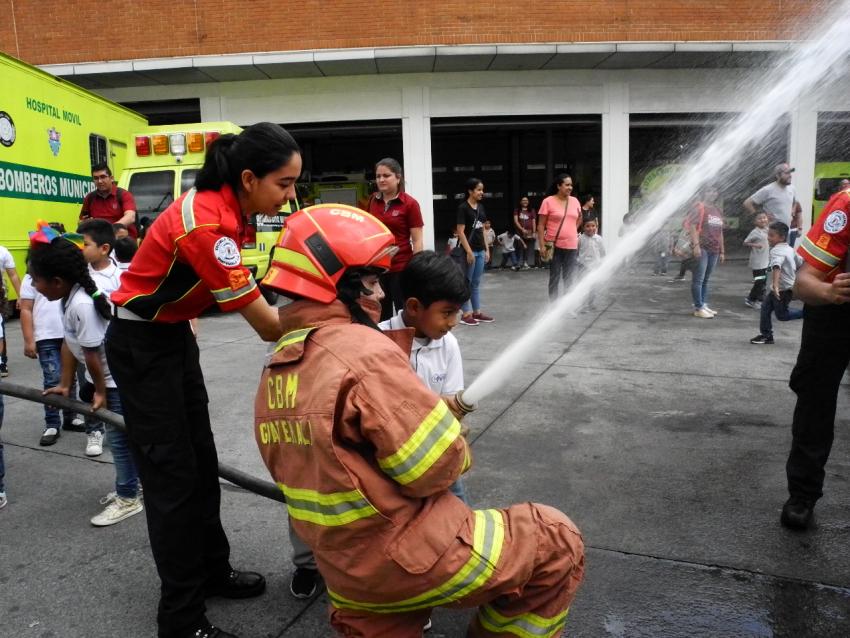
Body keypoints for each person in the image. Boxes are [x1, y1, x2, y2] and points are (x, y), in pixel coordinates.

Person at [256, 205, 585, 638]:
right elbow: (432, 468)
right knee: (556, 540)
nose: (378, 295)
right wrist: (454, 439)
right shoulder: (361, 350)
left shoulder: (276, 371)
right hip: (406, 556)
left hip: (349, 577)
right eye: (371, 282)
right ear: (338, 283)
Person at [106, 122, 298, 638]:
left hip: (172, 340)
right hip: (142, 347)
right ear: (251, 177)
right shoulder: (207, 224)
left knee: (201, 462)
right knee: (171, 480)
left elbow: (256, 287)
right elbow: (267, 326)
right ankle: (182, 619)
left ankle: (213, 571)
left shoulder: (234, 209)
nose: (290, 195)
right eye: (284, 184)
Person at [30, 228, 143, 527]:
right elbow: (70, 343)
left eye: (35, 279)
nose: (32, 285)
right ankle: (133, 485)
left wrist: (101, 393)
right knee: (123, 438)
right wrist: (66, 384)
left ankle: (129, 497)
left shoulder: (80, 304)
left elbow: (93, 355)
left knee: (119, 441)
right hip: (109, 378)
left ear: (56, 281)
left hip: (116, 381)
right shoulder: (68, 299)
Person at [779, 188, 850, 529]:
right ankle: (803, 494)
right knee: (815, 401)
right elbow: (802, 285)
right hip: (834, 312)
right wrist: (830, 292)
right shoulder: (846, 205)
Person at [19, 269, 81, 446]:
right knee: (52, 379)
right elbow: (26, 308)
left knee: (71, 378)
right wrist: (29, 340)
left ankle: (71, 416)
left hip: (68, 333)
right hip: (45, 335)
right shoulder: (32, 277)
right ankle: (52, 423)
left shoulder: (65, 274)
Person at [366, 158, 424, 321]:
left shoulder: (410, 204)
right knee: (381, 311)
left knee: (403, 311)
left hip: (400, 267)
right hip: (378, 268)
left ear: (398, 178)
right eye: (378, 176)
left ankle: (405, 344)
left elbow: (417, 240)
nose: (381, 180)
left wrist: (416, 269)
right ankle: (384, 344)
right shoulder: (372, 201)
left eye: (386, 175)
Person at [749, 222, 803, 345]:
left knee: (782, 315)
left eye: (772, 235)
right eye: (769, 234)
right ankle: (766, 335)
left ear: (782, 238)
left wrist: (776, 286)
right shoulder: (789, 248)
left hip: (782, 290)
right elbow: (800, 263)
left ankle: (807, 313)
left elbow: (777, 266)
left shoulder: (776, 251)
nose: (768, 238)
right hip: (782, 288)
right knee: (765, 309)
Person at [538, 173, 582, 301]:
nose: (570, 187)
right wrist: (542, 245)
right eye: (567, 185)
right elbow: (540, 225)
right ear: (559, 186)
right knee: (555, 277)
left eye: (571, 185)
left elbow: (579, 218)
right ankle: (553, 306)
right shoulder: (548, 201)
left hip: (572, 245)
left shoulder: (575, 201)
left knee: (569, 277)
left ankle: (566, 307)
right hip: (553, 245)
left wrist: (571, 230)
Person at [456, 178, 494, 326]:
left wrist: (486, 249)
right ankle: (466, 314)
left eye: (482, 190)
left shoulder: (481, 207)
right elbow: (460, 231)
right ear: (470, 191)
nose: (481, 192)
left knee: (476, 283)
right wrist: (469, 251)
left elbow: (483, 229)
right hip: (468, 251)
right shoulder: (463, 208)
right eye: (478, 190)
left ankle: (477, 312)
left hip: (480, 250)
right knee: (467, 282)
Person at [689, 185, 725, 318]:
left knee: (706, 279)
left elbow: (720, 231)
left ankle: (703, 304)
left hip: (714, 249)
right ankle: (698, 308)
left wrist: (722, 251)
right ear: (704, 193)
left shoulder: (717, 210)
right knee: (698, 279)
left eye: (715, 190)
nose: (713, 193)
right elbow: (692, 226)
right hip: (702, 248)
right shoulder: (698, 207)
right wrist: (696, 245)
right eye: (709, 190)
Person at [80, 163, 138, 238]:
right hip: (101, 246)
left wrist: (111, 229)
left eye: (103, 177)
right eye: (96, 178)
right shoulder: (90, 198)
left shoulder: (124, 195)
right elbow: (81, 222)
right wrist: (84, 223)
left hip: (123, 245)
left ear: (111, 178)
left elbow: (130, 217)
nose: (100, 181)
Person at [743, 163, 801, 237]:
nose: (790, 175)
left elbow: (795, 202)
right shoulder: (768, 190)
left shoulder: (792, 188)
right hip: (771, 233)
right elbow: (747, 203)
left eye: (790, 173)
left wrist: (793, 212)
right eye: (786, 173)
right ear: (777, 175)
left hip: (785, 232)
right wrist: (760, 217)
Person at [0, 242, 21, 377]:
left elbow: (13, 275)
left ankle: (2, 361)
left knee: (0, 330)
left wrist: (20, 296)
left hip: (0, 297)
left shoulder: (2, 251)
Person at [577, 217, 606, 311]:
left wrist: (602, 263)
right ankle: (582, 304)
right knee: (583, 285)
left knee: (593, 285)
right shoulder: (580, 238)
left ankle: (591, 303)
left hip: (595, 266)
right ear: (583, 227)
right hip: (583, 266)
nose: (590, 228)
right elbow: (576, 252)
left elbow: (603, 253)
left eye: (593, 226)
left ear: (596, 226)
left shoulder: (599, 239)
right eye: (587, 226)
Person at [743, 212, 770, 308]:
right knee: (759, 282)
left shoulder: (767, 230)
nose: (763, 220)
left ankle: (760, 300)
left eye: (764, 218)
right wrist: (755, 245)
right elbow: (745, 242)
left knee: (763, 281)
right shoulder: (755, 232)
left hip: (765, 261)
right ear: (755, 222)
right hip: (757, 262)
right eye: (760, 218)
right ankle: (751, 299)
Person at [513, 196, 538, 268]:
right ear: (520, 202)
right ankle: (516, 263)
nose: (525, 201)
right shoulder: (517, 210)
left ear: (528, 202)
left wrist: (534, 232)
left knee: (526, 247)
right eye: (523, 200)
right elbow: (516, 221)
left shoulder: (532, 210)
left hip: (529, 232)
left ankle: (525, 262)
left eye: (526, 200)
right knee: (519, 246)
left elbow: (534, 221)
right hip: (519, 232)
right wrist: (521, 229)